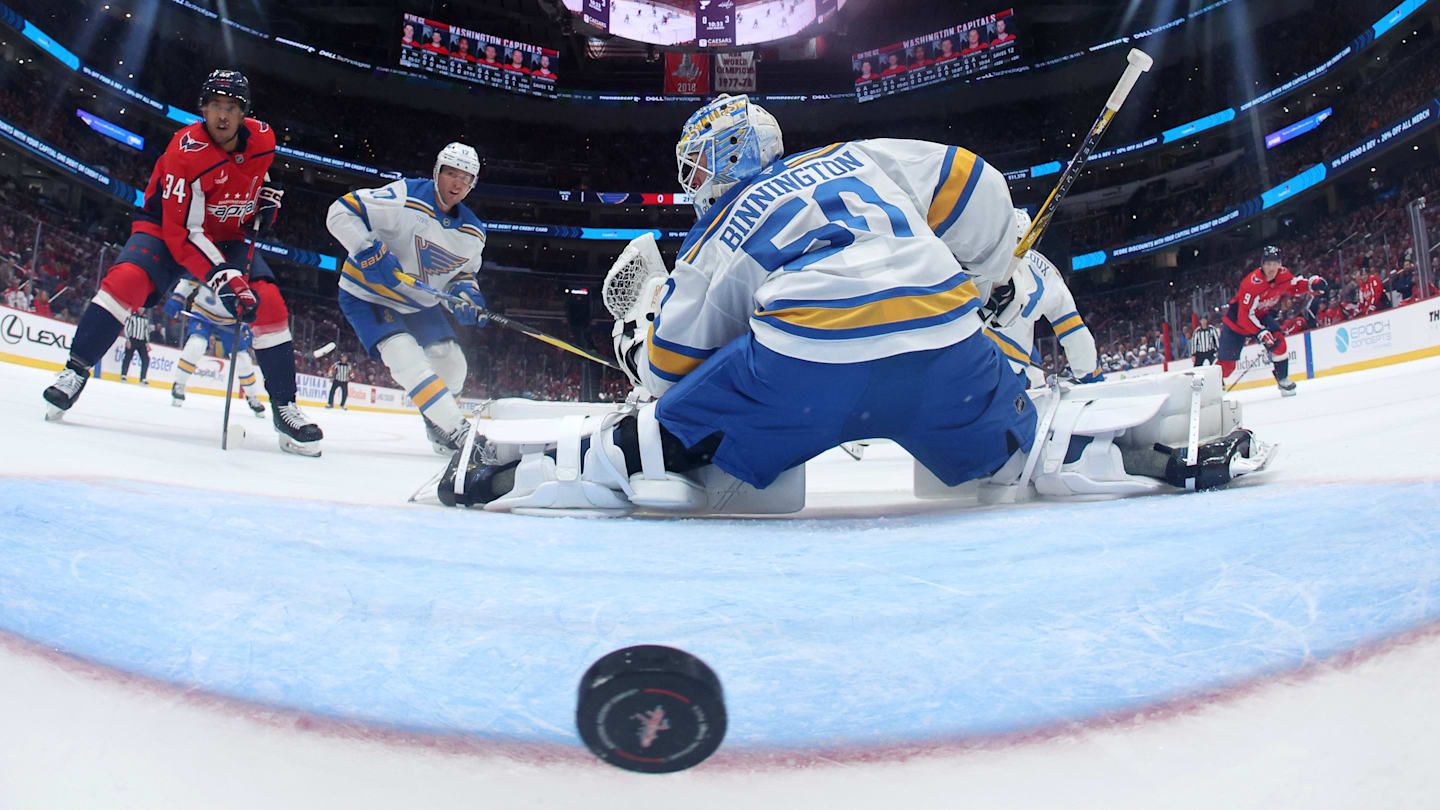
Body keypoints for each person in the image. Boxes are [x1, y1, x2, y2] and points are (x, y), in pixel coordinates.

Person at [445, 95, 1273, 514]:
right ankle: (1148, 439)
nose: (691, 183)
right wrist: (984, 278)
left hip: (805, 367)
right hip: (943, 334)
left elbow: (672, 371)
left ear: (727, 157)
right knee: (1011, 450)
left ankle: (524, 467)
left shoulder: (716, 233)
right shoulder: (864, 156)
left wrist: (638, 336)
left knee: (663, 438)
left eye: (697, 166)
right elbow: (977, 186)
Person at [41, 70, 322, 455]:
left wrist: (264, 202)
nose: (223, 116)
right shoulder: (183, 153)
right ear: (203, 108)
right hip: (168, 228)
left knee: (269, 304)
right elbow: (184, 234)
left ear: (244, 114)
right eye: (216, 106)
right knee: (126, 281)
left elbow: (257, 174)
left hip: (227, 235)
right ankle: (74, 371)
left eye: (232, 108)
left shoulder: (264, 139)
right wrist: (223, 276)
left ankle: (284, 406)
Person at [326, 142, 488, 453]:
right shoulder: (404, 196)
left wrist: (467, 296)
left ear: (472, 185)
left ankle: (437, 421)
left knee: (452, 365)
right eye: (451, 173)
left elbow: (463, 275)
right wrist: (368, 250)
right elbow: (340, 212)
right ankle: (460, 434)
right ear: (436, 172)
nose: (457, 183)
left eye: (465, 178)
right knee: (405, 358)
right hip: (368, 295)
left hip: (418, 304)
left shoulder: (474, 232)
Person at [978, 209, 1100, 387]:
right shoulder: (1047, 273)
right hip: (1005, 371)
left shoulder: (974, 253)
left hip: (967, 356)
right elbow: (1072, 328)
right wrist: (1090, 373)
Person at [1218, 245, 1325, 397]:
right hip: (1236, 323)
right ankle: (1211, 384)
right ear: (1262, 265)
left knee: (1279, 344)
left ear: (1280, 264)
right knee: (1227, 367)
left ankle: (1282, 378)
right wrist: (1261, 332)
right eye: (1268, 264)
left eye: (1275, 264)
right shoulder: (1252, 284)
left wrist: (1310, 285)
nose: (1271, 268)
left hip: (1260, 316)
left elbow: (1293, 287)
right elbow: (1244, 316)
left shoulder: (1284, 275)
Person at [163, 277, 266, 417]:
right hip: (203, 311)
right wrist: (178, 296)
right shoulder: (209, 258)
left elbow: (252, 297)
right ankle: (179, 384)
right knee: (196, 345)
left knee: (242, 359)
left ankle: (252, 396)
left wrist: (250, 320)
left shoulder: (243, 266)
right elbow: (188, 279)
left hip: (230, 320)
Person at [120, 309, 153, 385]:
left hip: (142, 341)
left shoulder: (145, 318)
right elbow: (127, 328)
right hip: (132, 340)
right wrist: (128, 340)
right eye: (140, 308)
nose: (142, 310)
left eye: (143, 308)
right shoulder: (131, 317)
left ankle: (143, 378)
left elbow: (146, 331)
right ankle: (124, 375)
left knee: (146, 359)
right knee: (128, 357)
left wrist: (147, 343)